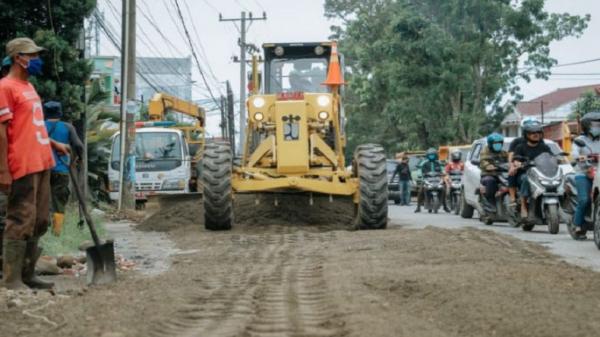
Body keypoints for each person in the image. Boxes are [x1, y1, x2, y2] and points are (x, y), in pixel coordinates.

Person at [0, 37, 70, 290]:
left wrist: (53, 143)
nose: (37, 59)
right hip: (22, 164)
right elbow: (2, 131)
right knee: (20, 218)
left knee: (40, 220)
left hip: (42, 161)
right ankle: (11, 280)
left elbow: (31, 126)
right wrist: (3, 170)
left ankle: (28, 274)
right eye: (32, 55)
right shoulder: (5, 87)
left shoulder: (29, 88)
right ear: (18, 57)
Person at [44, 101, 84, 236]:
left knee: (41, 200)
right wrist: (79, 158)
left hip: (42, 170)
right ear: (60, 113)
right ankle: (56, 233)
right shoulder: (67, 127)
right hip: (61, 170)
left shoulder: (39, 127)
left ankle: (42, 231)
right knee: (59, 202)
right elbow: (79, 146)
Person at [512, 119, 552, 219]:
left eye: (538, 132)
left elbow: (552, 157)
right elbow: (515, 159)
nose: (536, 134)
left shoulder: (544, 147)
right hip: (525, 174)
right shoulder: (520, 147)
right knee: (526, 178)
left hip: (542, 174)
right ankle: (523, 206)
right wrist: (518, 163)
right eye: (532, 132)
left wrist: (559, 160)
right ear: (526, 134)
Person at [570, 111, 600, 233]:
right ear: (587, 125)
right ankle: (577, 224)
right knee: (584, 200)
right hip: (583, 173)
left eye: (599, 125)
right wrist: (580, 158)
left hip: (598, 172)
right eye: (595, 125)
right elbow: (575, 154)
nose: (597, 128)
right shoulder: (579, 140)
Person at [508, 117, 540, 207]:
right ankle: (513, 198)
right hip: (522, 169)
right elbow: (511, 155)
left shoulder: (540, 142)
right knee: (513, 173)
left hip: (539, 170)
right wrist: (512, 165)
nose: (534, 133)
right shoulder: (517, 142)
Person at [479, 133, 509, 212]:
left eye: (499, 143)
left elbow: (510, 159)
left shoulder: (503, 153)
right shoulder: (485, 152)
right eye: (495, 143)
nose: (498, 145)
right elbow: (483, 161)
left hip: (502, 175)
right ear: (490, 144)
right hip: (489, 175)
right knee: (490, 181)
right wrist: (488, 166)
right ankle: (490, 203)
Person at [415, 148, 448, 213]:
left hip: (437, 179)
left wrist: (444, 173)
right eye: (430, 155)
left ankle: (445, 206)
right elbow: (419, 170)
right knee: (420, 191)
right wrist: (420, 175)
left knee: (444, 190)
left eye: (433, 155)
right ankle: (418, 207)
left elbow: (443, 169)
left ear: (436, 155)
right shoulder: (424, 163)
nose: (431, 156)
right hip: (427, 179)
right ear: (427, 155)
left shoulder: (438, 163)